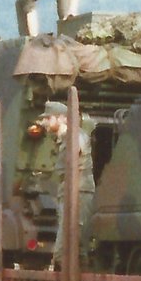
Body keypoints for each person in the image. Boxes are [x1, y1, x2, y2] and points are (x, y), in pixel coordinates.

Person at [37, 101, 94, 264]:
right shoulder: (64, 139)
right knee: (73, 247)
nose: (44, 122)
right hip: (69, 192)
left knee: (66, 249)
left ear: (62, 118)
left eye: (48, 118)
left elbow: (77, 149)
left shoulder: (75, 135)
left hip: (78, 193)